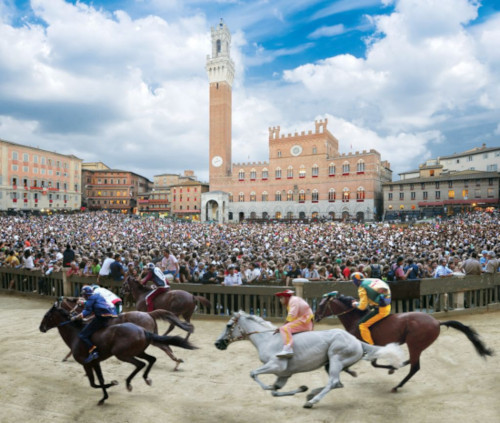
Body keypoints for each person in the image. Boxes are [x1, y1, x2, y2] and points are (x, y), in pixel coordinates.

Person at [71, 285, 117, 363]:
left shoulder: (90, 300)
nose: (83, 296)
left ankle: (93, 351)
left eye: (83, 295)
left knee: (82, 335)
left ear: (86, 295)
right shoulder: (97, 295)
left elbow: (86, 312)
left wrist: (75, 317)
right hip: (111, 314)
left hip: (101, 317)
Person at [351, 272, 391, 345]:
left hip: (380, 310)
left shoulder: (362, 288)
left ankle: (371, 346)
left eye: (353, 281)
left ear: (356, 281)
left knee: (361, 325)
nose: (353, 283)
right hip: (387, 305)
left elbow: (362, 306)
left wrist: (355, 304)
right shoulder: (371, 280)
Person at [274, 289, 314, 358]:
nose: (280, 300)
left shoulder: (293, 301)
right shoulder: (293, 300)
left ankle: (288, 349)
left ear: (286, 297)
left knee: (284, 328)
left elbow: (291, 316)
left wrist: (282, 327)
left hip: (305, 322)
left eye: (281, 298)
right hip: (305, 321)